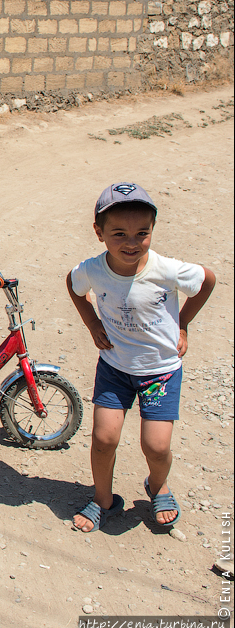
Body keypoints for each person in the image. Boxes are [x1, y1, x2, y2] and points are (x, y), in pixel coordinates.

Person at [67, 183, 214, 533]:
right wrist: (91, 322)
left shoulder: (167, 270)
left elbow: (206, 280)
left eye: (141, 233)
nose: (131, 243)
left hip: (160, 372)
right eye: (119, 233)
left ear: (152, 231)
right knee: (104, 439)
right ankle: (104, 499)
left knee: (156, 445)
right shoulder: (93, 269)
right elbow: (73, 285)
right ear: (99, 232)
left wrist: (183, 324)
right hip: (115, 368)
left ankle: (158, 485)